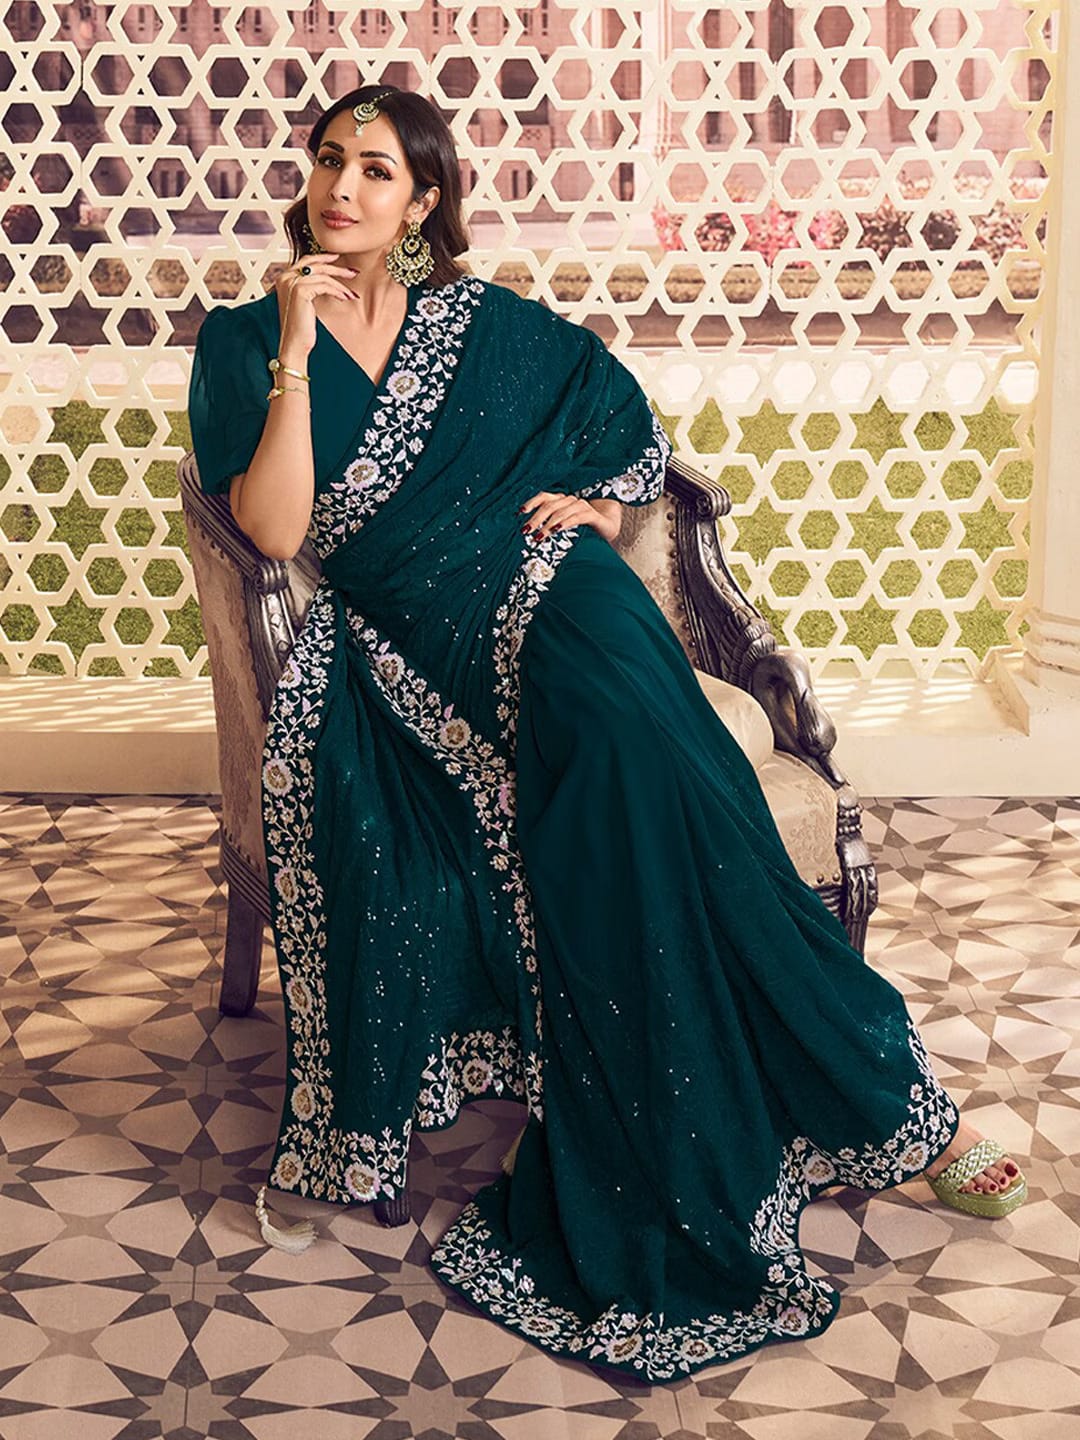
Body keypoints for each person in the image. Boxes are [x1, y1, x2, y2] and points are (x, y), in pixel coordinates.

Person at [186, 83, 1027, 1385]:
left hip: (556, 586)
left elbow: (613, 407)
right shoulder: (245, 341)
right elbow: (279, 528)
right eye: (331, 160)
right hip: (417, 628)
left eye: (378, 170)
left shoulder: (477, 324)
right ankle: (877, 1101)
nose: (345, 186)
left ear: (422, 202)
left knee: (642, 758)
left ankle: (880, 1098)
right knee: (642, 787)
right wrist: (298, 349)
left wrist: (605, 503)